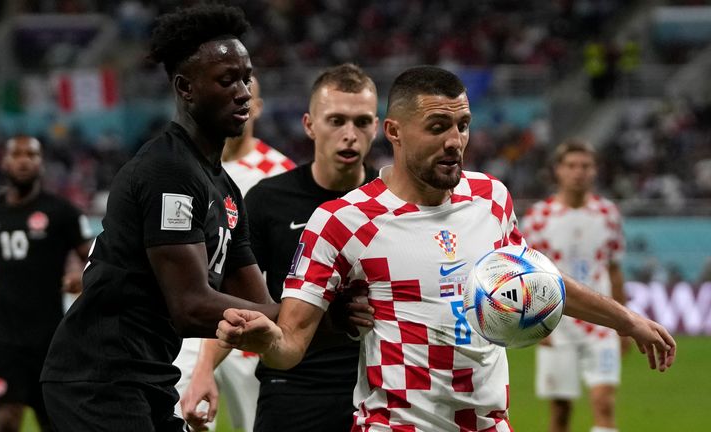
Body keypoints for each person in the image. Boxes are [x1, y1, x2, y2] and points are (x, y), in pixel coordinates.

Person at [215, 66, 677, 431]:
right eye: (437, 127)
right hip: (396, 424)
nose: (455, 141)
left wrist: (627, 319)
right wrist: (264, 336)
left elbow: (538, 284)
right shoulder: (343, 221)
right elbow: (290, 344)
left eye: (463, 125)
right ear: (394, 132)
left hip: (489, 421)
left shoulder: (491, 199)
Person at [39, 5, 280, 431]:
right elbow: (190, 306)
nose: (243, 91)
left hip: (147, 375)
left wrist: (308, 317)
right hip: (98, 378)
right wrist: (306, 316)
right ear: (186, 88)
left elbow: (261, 305)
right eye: (227, 80)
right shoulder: (168, 171)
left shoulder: (225, 190)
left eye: (246, 77)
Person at [181, 63, 380, 432]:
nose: (349, 135)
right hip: (290, 384)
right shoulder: (269, 200)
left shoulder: (391, 204)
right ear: (309, 125)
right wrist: (204, 370)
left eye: (362, 122)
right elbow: (229, 295)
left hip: (377, 388)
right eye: (336, 121)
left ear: (378, 127)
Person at [172, 75, 295, 432]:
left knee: (256, 424)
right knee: (182, 416)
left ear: (256, 107)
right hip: (194, 325)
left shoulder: (278, 174)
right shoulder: (185, 169)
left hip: (250, 324)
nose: (235, 103)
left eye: (245, 97)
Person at [0, 135, 92, 432]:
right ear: (4, 162)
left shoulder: (62, 212)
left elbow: (95, 258)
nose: (24, 160)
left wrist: (79, 277)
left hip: (51, 338)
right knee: (7, 420)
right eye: (16, 154)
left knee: (53, 422)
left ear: (41, 163)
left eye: (31, 154)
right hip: (3, 337)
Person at [521, 139, 627, 432]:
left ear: (595, 171)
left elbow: (615, 269)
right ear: (558, 171)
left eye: (586, 166)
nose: (579, 172)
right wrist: (535, 322)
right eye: (571, 166)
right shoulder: (539, 218)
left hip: (600, 323)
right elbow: (529, 274)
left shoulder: (608, 214)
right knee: (561, 411)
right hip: (558, 322)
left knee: (604, 402)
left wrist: (624, 322)